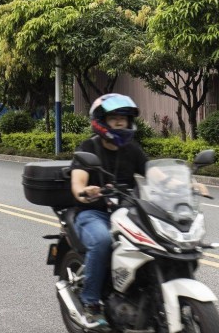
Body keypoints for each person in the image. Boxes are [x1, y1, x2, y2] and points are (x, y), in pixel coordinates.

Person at [69, 94, 149, 330]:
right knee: (103, 241)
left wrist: (187, 184)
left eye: (123, 118)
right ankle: (91, 304)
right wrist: (85, 191)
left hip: (127, 212)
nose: (120, 123)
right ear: (101, 121)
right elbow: (77, 183)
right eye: (114, 118)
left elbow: (156, 175)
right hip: (93, 213)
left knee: (157, 242)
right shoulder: (88, 148)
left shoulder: (132, 150)